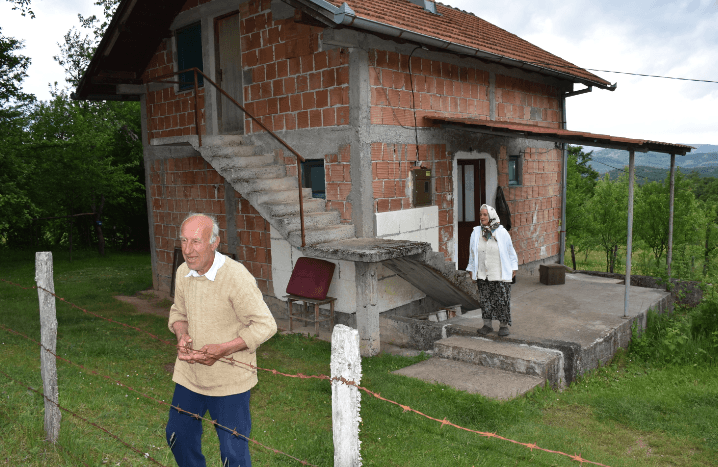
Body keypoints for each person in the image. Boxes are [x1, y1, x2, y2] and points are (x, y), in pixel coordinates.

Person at [166, 212, 277, 467]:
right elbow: (178, 312)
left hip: (230, 381)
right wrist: (182, 335)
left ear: (214, 242)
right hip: (190, 376)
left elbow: (265, 324)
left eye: (196, 242)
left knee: (233, 454)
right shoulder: (183, 271)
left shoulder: (236, 277)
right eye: (183, 241)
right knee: (177, 436)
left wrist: (224, 350)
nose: (188, 250)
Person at [466, 204, 518, 337]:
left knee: (502, 299)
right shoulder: (476, 232)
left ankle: (503, 325)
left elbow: (510, 251)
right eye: (480, 215)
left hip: (499, 272)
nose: (482, 217)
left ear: (491, 216)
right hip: (483, 273)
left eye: (485, 215)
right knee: (485, 300)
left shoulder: (501, 232)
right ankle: (487, 325)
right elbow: (472, 253)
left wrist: (513, 266)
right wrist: (471, 268)